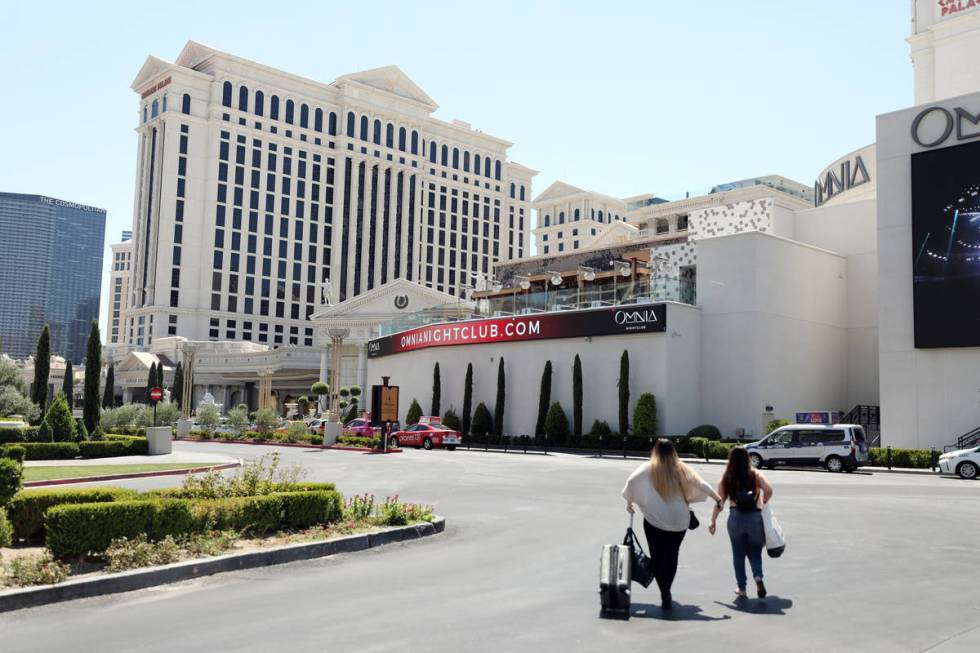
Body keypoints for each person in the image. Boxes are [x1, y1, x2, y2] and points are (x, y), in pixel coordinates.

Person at [622, 439, 722, 610]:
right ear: (673, 452)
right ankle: (667, 588)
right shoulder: (680, 468)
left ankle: (664, 592)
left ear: (655, 452)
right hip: (679, 521)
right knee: (672, 555)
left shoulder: (648, 468)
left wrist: (629, 501)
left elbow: (631, 482)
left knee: (658, 556)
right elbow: (701, 484)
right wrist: (717, 498)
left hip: (656, 520)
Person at [709, 446, 774, 599]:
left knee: (738, 554)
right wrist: (763, 501)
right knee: (755, 552)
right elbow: (769, 489)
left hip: (735, 517)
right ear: (747, 458)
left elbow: (720, 502)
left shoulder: (727, 477)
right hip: (755, 517)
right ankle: (758, 577)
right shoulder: (755, 474)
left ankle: (742, 588)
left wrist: (713, 521)